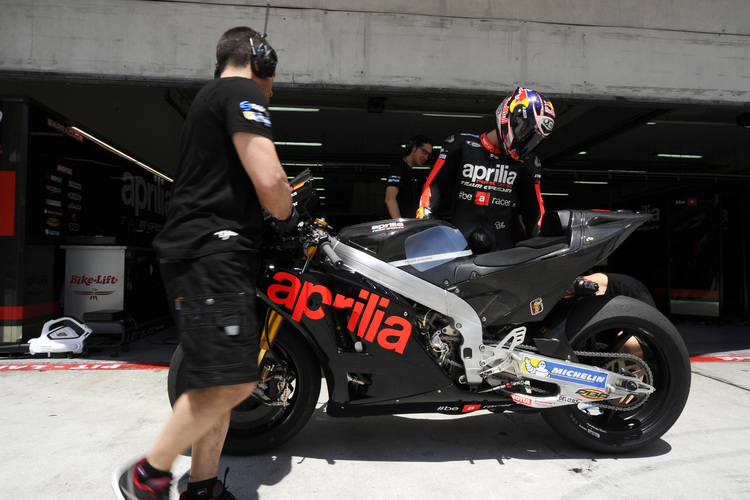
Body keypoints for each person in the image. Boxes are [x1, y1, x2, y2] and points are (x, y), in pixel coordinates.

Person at [113, 26, 296, 500]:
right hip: (212, 253)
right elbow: (271, 181)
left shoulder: (210, 98)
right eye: (272, 80)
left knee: (213, 380)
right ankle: (148, 475)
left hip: (204, 253)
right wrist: (287, 211)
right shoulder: (238, 90)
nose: (272, 91)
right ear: (261, 61)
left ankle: (203, 488)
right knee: (234, 380)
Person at [417, 87, 556, 253]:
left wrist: (544, 248)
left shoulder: (528, 163)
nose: (526, 141)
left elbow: (535, 213)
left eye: (534, 139)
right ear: (510, 117)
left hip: (500, 250)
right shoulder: (460, 145)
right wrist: (425, 220)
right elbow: (433, 187)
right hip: (456, 246)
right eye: (525, 132)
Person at [384, 135, 434, 219]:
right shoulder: (398, 167)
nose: (426, 157)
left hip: (409, 225)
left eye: (428, 155)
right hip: (398, 228)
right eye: (424, 152)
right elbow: (389, 200)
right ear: (414, 148)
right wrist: (400, 225)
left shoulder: (410, 172)